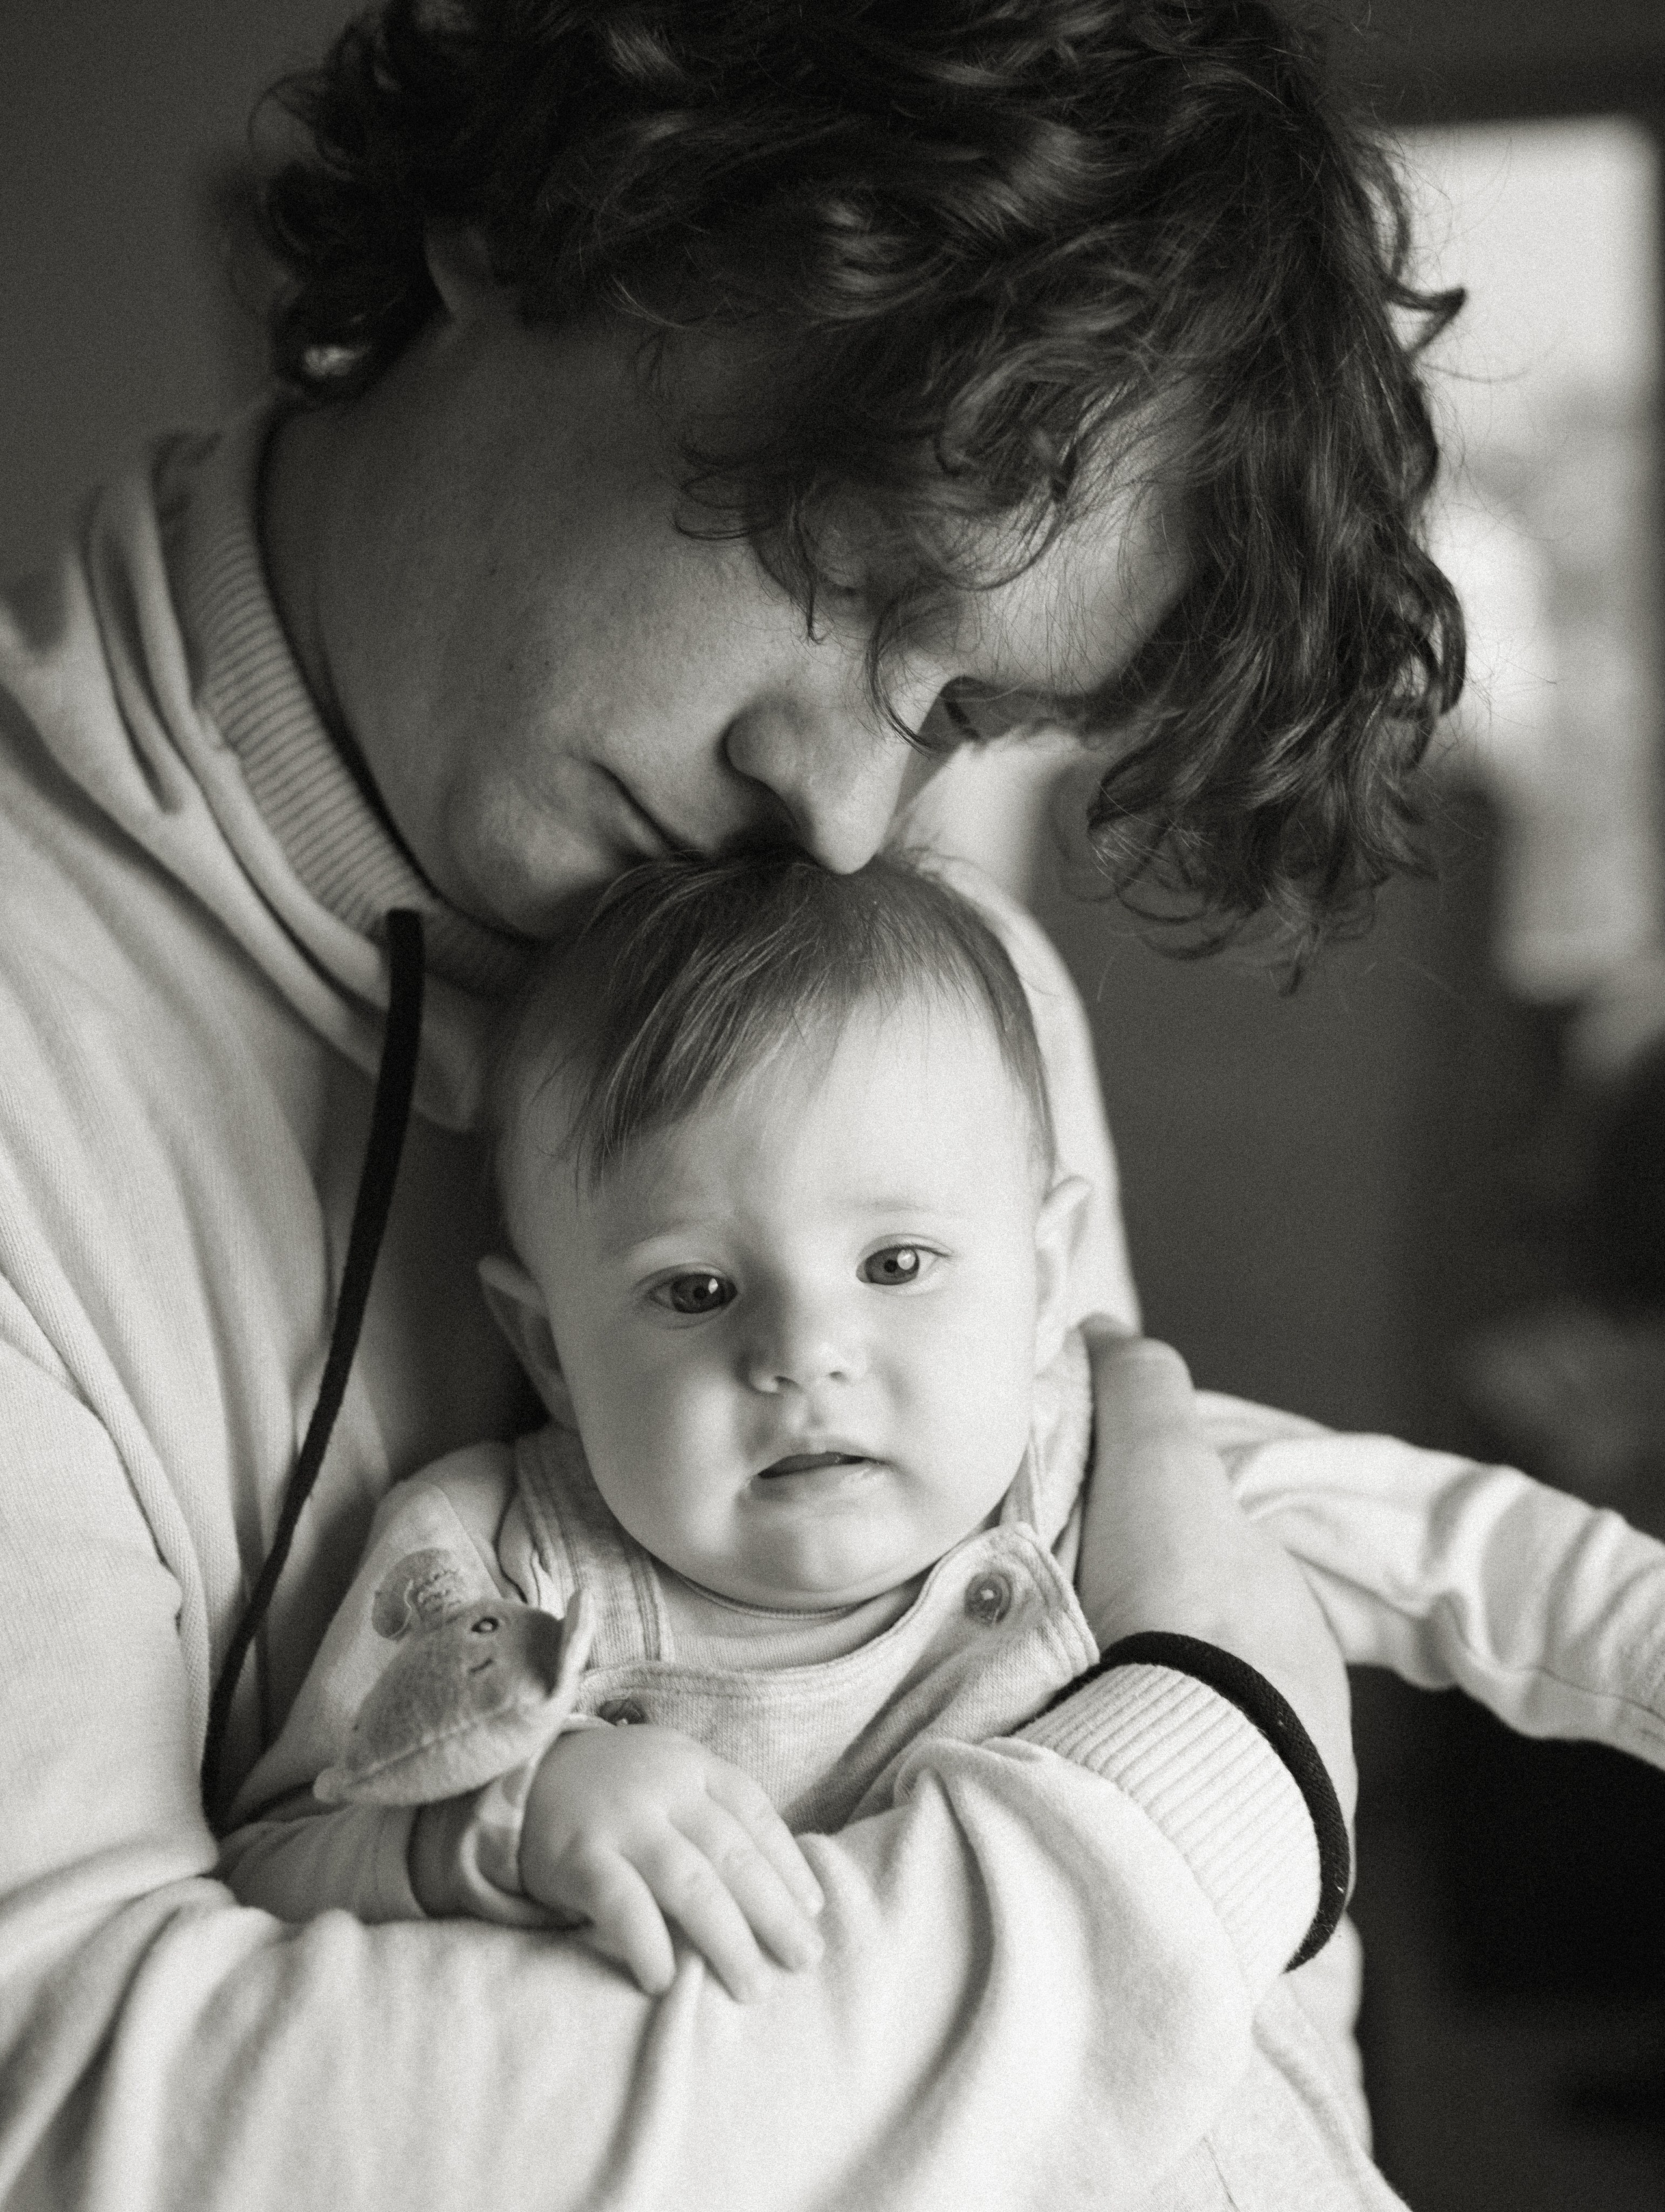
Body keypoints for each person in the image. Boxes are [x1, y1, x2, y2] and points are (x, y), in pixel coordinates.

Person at [0, 1, 1544, 2205]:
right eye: (849, 575)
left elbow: (1231, 2082)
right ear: (559, 210)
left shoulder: (936, 988)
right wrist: (1201, 1790)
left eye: (961, 713)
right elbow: (88, 2118)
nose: (834, 820)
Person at [215, 846, 1665, 2047]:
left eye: (896, 1264)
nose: (801, 1353)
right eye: (693, 1292)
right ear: (546, 1348)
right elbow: (280, 1860)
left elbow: (1481, 1564)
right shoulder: (493, 1568)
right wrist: (518, 1817)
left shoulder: (1111, 1476)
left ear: (1044, 1276)